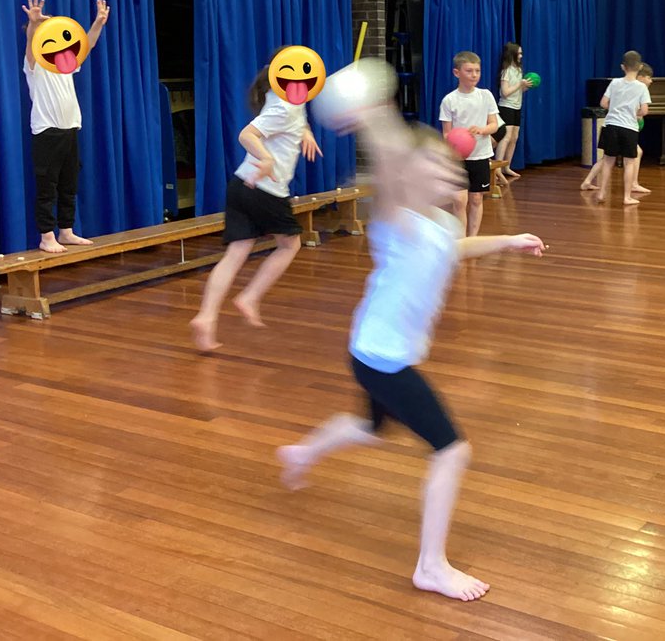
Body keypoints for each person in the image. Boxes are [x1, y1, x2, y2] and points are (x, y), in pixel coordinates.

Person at [276, 105, 546, 602]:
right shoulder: (394, 221)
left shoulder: (440, 224)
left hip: (374, 352)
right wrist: (374, 117)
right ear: (407, 175)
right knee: (453, 450)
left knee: (370, 428)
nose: (449, 172)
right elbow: (389, 165)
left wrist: (507, 240)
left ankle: (302, 452)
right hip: (384, 360)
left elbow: (454, 249)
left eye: (450, 166)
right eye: (435, 166)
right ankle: (431, 566)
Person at [190, 49, 322, 352]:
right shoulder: (285, 108)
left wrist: (307, 133)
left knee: (236, 253)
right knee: (290, 244)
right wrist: (265, 158)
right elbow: (247, 135)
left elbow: (293, 117)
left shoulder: (282, 99)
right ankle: (249, 297)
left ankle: (206, 318)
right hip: (265, 189)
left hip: (240, 185)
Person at [22, 0, 109, 253]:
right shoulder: (33, 66)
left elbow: (87, 46)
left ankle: (67, 231)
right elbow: (30, 46)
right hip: (47, 133)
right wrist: (34, 24)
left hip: (70, 129)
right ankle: (47, 236)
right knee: (47, 185)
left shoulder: (64, 65)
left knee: (69, 183)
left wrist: (98, 23)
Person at [439, 51, 499, 236]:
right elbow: (447, 134)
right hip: (458, 158)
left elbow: (494, 125)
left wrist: (482, 130)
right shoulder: (449, 100)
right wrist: (455, 144)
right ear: (457, 73)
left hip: (480, 155)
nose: (474, 75)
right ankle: (461, 239)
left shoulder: (485, 95)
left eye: (477, 71)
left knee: (476, 199)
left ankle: (472, 239)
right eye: (469, 71)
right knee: (459, 200)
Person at [579, 50, 650, 205]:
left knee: (608, 160)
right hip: (629, 128)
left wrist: (616, 108)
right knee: (629, 162)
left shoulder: (615, 82)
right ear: (639, 67)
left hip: (610, 125)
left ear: (622, 67)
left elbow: (603, 103)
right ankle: (626, 197)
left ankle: (602, 192)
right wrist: (634, 112)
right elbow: (644, 110)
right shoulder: (641, 87)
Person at [494, 43, 533, 178]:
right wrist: (519, 84)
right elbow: (505, 92)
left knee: (514, 137)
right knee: (506, 137)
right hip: (507, 107)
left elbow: (516, 90)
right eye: (519, 53)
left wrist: (524, 86)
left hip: (517, 107)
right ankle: (497, 168)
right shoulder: (507, 71)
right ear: (512, 54)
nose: (521, 56)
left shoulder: (518, 70)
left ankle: (506, 167)